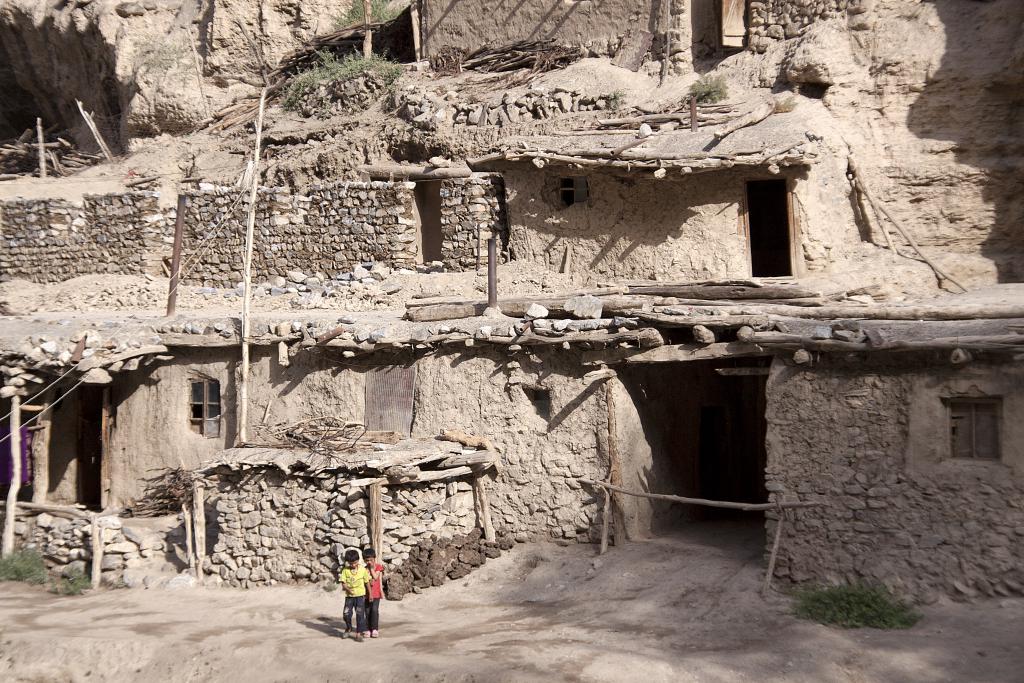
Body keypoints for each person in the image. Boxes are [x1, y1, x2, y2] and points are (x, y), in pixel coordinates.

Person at [339, 548, 370, 642]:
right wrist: (348, 589)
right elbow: (343, 583)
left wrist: (370, 594)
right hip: (349, 597)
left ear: (358, 560)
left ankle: (358, 633)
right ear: (348, 562)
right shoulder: (345, 570)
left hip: (360, 596)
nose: (353, 565)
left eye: (355, 562)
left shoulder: (362, 570)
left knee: (360, 614)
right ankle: (348, 628)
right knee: (346, 614)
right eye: (351, 563)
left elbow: (367, 582)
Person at [362, 548, 385, 639]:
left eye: (371, 560)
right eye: (367, 560)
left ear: (374, 559)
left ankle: (375, 629)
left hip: (376, 593)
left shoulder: (378, 567)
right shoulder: (363, 569)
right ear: (364, 560)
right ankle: (367, 629)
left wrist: (381, 591)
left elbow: (376, 578)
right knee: (367, 611)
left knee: (374, 610)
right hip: (366, 594)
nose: (369, 562)